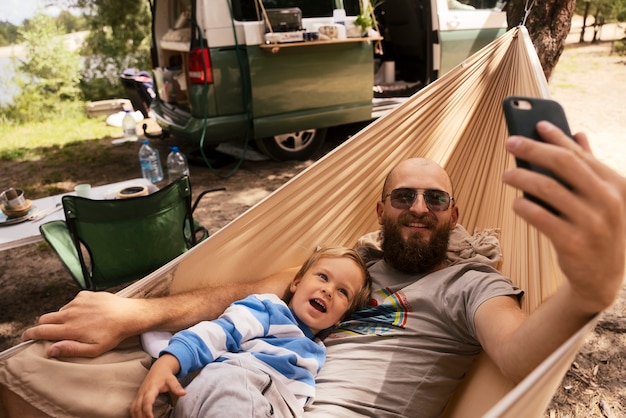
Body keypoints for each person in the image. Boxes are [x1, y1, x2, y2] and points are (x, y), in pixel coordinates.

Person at [1, 122, 624, 417]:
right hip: (239, 384)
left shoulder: (471, 285)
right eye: (403, 196)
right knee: (30, 366)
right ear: (380, 208)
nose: (418, 208)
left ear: (453, 215)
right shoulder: (349, 266)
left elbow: (517, 356)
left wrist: (587, 292)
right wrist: (137, 311)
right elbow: (251, 294)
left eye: (435, 199)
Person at [131, 246, 371, 418]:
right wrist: (167, 363)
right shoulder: (268, 310)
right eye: (322, 277)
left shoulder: (320, 352)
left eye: (343, 292)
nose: (328, 290)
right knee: (232, 383)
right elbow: (217, 333)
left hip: (271, 406)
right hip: (237, 383)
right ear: (296, 282)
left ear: (341, 317)